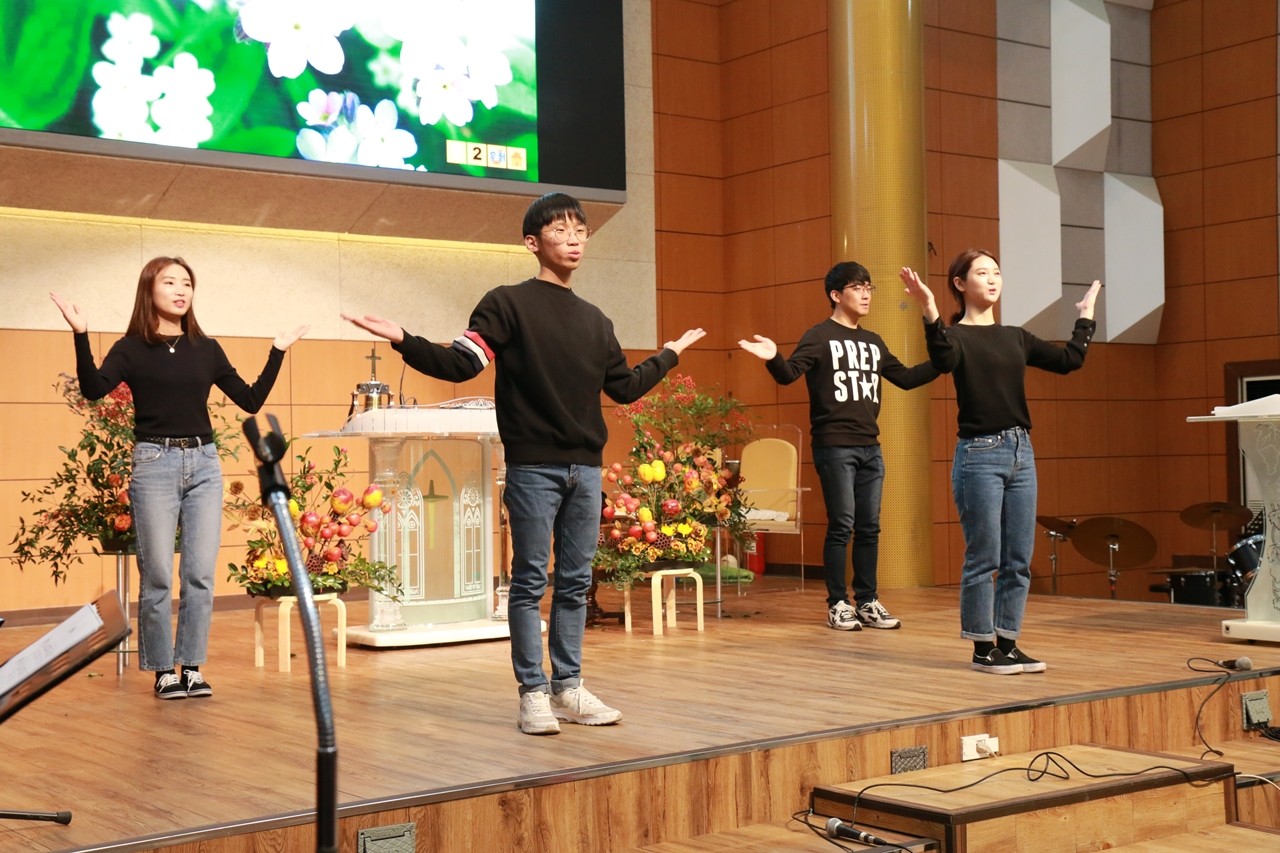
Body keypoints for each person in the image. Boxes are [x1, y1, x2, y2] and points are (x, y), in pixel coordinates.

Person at [344, 192, 705, 735]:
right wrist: (404, 339)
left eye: (580, 230)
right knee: (531, 579)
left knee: (576, 581)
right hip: (534, 467)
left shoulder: (596, 320)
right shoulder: (506, 303)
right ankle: (532, 692)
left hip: (586, 469)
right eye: (560, 230)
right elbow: (461, 363)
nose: (574, 239)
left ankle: (569, 687)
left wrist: (668, 354)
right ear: (532, 242)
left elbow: (625, 388)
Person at [51, 258, 307, 699]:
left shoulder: (206, 348)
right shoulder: (130, 348)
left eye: (186, 283)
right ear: (149, 290)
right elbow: (94, 389)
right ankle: (161, 670)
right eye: (169, 282)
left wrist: (277, 351)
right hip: (154, 462)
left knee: (200, 575)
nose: (180, 290)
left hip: (204, 463)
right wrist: (80, 334)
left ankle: (191, 666)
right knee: (157, 577)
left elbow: (249, 400)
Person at [901, 250, 1100, 674]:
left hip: (1021, 451)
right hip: (980, 453)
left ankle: (1007, 643)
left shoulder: (1015, 337)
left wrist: (1085, 316)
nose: (992, 279)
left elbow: (1070, 360)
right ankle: (981, 646)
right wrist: (929, 309)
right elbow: (942, 358)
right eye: (982, 273)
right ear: (960, 284)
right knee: (984, 556)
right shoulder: (956, 337)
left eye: (996, 272)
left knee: (1018, 557)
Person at [739, 261, 938, 632]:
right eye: (857, 287)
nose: (866, 294)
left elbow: (908, 378)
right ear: (836, 294)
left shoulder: (873, 341)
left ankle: (867, 600)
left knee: (869, 526)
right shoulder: (819, 336)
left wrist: (945, 360)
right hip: (834, 446)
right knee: (842, 524)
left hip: (870, 447)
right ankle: (837, 604)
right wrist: (773, 357)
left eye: (869, 287)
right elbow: (788, 374)